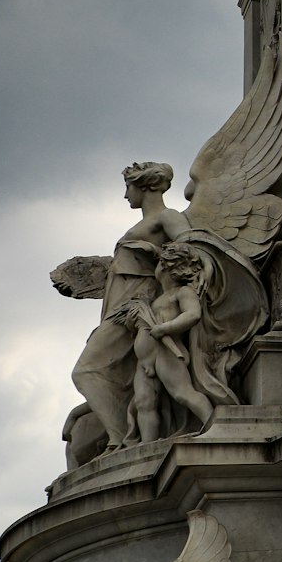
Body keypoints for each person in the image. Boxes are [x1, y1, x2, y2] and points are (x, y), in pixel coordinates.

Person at [72, 161, 191, 449]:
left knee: (85, 370)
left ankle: (119, 439)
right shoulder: (141, 225)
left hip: (138, 307)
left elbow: (192, 250)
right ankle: (120, 435)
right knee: (104, 373)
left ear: (144, 185)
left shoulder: (168, 217)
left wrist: (153, 252)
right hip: (120, 307)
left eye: (128, 187)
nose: (126, 195)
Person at [120, 243, 216, 443]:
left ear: (166, 268)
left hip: (167, 353)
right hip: (145, 360)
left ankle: (213, 428)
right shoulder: (155, 300)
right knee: (144, 402)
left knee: (183, 394)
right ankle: (147, 445)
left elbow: (193, 314)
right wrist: (133, 322)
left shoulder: (181, 293)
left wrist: (165, 328)